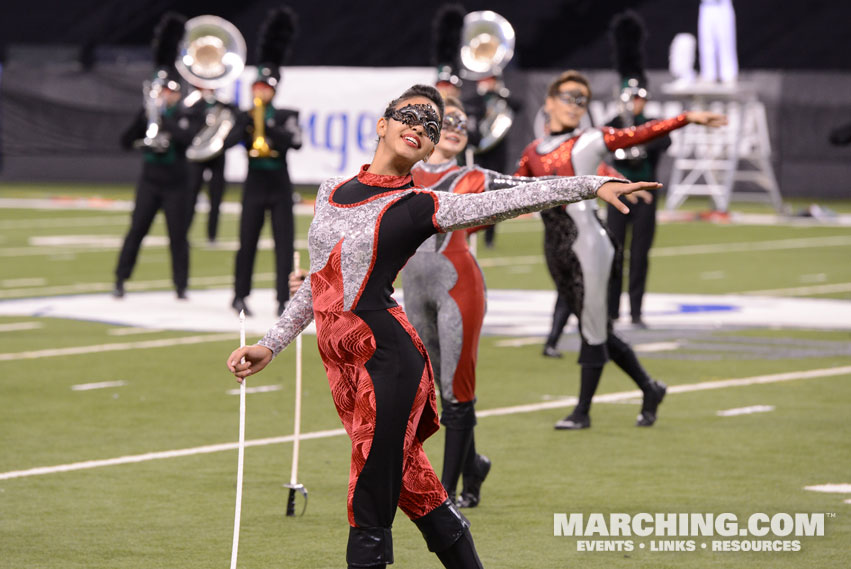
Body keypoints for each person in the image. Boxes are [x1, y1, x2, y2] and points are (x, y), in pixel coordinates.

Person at [227, 83, 658, 569]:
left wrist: (590, 184)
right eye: (410, 115)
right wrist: (271, 343)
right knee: (416, 486)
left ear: (431, 149)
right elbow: (319, 283)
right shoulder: (330, 192)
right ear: (382, 124)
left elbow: (516, 200)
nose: (420, 127)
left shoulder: (423, 204)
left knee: (369, 488)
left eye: (431, 126)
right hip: (342, 367)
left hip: (386, 361)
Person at [515, 70, 726, 430]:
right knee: (592, 325)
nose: (575, 104)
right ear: (549, 102)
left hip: (589, 244)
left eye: (582, 99)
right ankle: (650, 387)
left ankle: (582, 411)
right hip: (554, 247)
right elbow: (510, 193)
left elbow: (641, 133)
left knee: (593, 328)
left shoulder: (591, 139)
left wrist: (686, 118)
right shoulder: (532, 151)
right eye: (568, 96)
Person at [403, 96, 551, 509]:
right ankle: (475, 465)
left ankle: (447, 493)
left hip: (459, 286)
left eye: (462, 124)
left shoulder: (474, 176)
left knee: (457, 387)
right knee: (432, 388)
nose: (454, 127)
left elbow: (534, 191)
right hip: (413, 290)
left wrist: (590, 185)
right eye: (446, 121)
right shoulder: (402, 175)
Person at [114, 13, 196, 300]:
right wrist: (143, 127)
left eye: (168, 91)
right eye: (161, 90)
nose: (164, 95)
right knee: (136, 230)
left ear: (175, 93)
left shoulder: (183, 115)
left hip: (176, 183)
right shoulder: (146, 113)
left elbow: (187, 141)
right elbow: (124, 141)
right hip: (150, 181)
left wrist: (164, 118)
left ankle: (181, 286)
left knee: (178, 237)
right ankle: (120, 279)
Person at [231, 7, 302, 317]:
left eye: (265, 88)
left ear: (273, 89)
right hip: (254, 185)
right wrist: (246, 121)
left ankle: (283, 298)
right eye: (256, 87)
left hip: (280, 185)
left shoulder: (287, 116)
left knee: (283, 245)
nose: (259, 92)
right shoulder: (244, 117)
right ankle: (239, 295)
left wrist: (268, 126)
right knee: (247, 242)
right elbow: (228, 141)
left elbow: (296, 141)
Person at [605, 84, 671, 328]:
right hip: (619, 195)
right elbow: (605, 145)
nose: (636, 103)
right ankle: (611, 312)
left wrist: (639, 143)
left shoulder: (651, 123)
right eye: (632, 98)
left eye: (640, 99)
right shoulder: (615, 122)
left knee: (640, 255)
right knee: (614, 253)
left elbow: (665, 140)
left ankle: (636, 311)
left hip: (645, 196)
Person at [185, 88, 233, 244]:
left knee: (216, 194)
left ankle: (212, 235)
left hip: (217, 152)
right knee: (191, 193)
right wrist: (202, 102)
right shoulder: (195, 101)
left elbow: (235, 115)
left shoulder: (222, 102)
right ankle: (183, 233)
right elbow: (187, 116)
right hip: (197, 153)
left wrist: (220, 102)